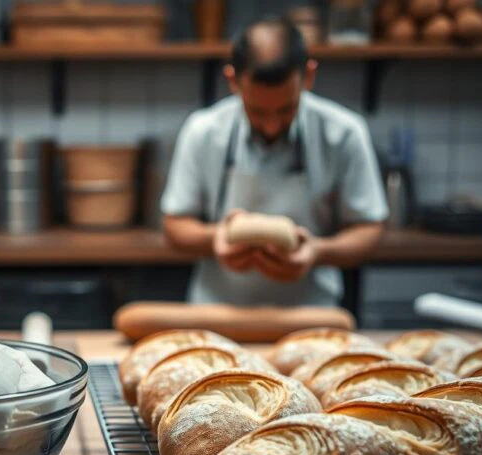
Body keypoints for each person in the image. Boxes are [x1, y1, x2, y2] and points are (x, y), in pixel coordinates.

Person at [160, 16, 387, 307]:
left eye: (286, 109)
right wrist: (216, 237)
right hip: (217, 314)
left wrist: (318, 250)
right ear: (232, 80)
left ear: (309, 76)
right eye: (256, 111)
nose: (271, 126)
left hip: (311, 314)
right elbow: (175, 225)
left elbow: (369, 228)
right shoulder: (203, 131)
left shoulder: (343, 133)